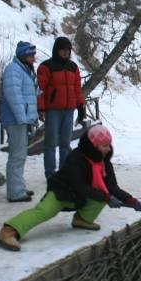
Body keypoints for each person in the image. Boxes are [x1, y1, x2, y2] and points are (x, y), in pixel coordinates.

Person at [0, 125, 141, 251]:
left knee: (103, 195)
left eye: (109, 145)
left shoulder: (103, 162)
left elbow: (112, 187)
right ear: (94, 146)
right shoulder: (76, 158)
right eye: (104, 146)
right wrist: (106, 197)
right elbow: (80, 186)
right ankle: (9, 231)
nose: (108, 149)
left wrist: (132, 201)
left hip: (80, 196)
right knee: (43, 212)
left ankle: (82, 219)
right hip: (62, 192)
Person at [37, 36, 87, 179]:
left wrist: (81, 105)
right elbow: (40, 89)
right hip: (53, 110)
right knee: (51, 143)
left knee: (65, 142)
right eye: (63, 50)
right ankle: (50, 173)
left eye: (68, 50)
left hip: (69, 109)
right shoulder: (46, 66)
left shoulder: (73, 67)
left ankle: (65, 172)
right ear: (56, 50)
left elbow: (77, 88)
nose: (65, 53)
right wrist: (41, 108)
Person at [0, 41, 40, 202]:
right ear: (23, 55)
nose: (33, 59)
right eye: (31, 56)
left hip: (21, 119)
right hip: (16, 119)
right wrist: (23, 119)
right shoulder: (13, 70)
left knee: (20, 154)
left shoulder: (24, 71)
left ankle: (19, 187)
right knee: (17, 155)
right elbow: (14, 97)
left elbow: (30, 94)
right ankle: (15, 192)